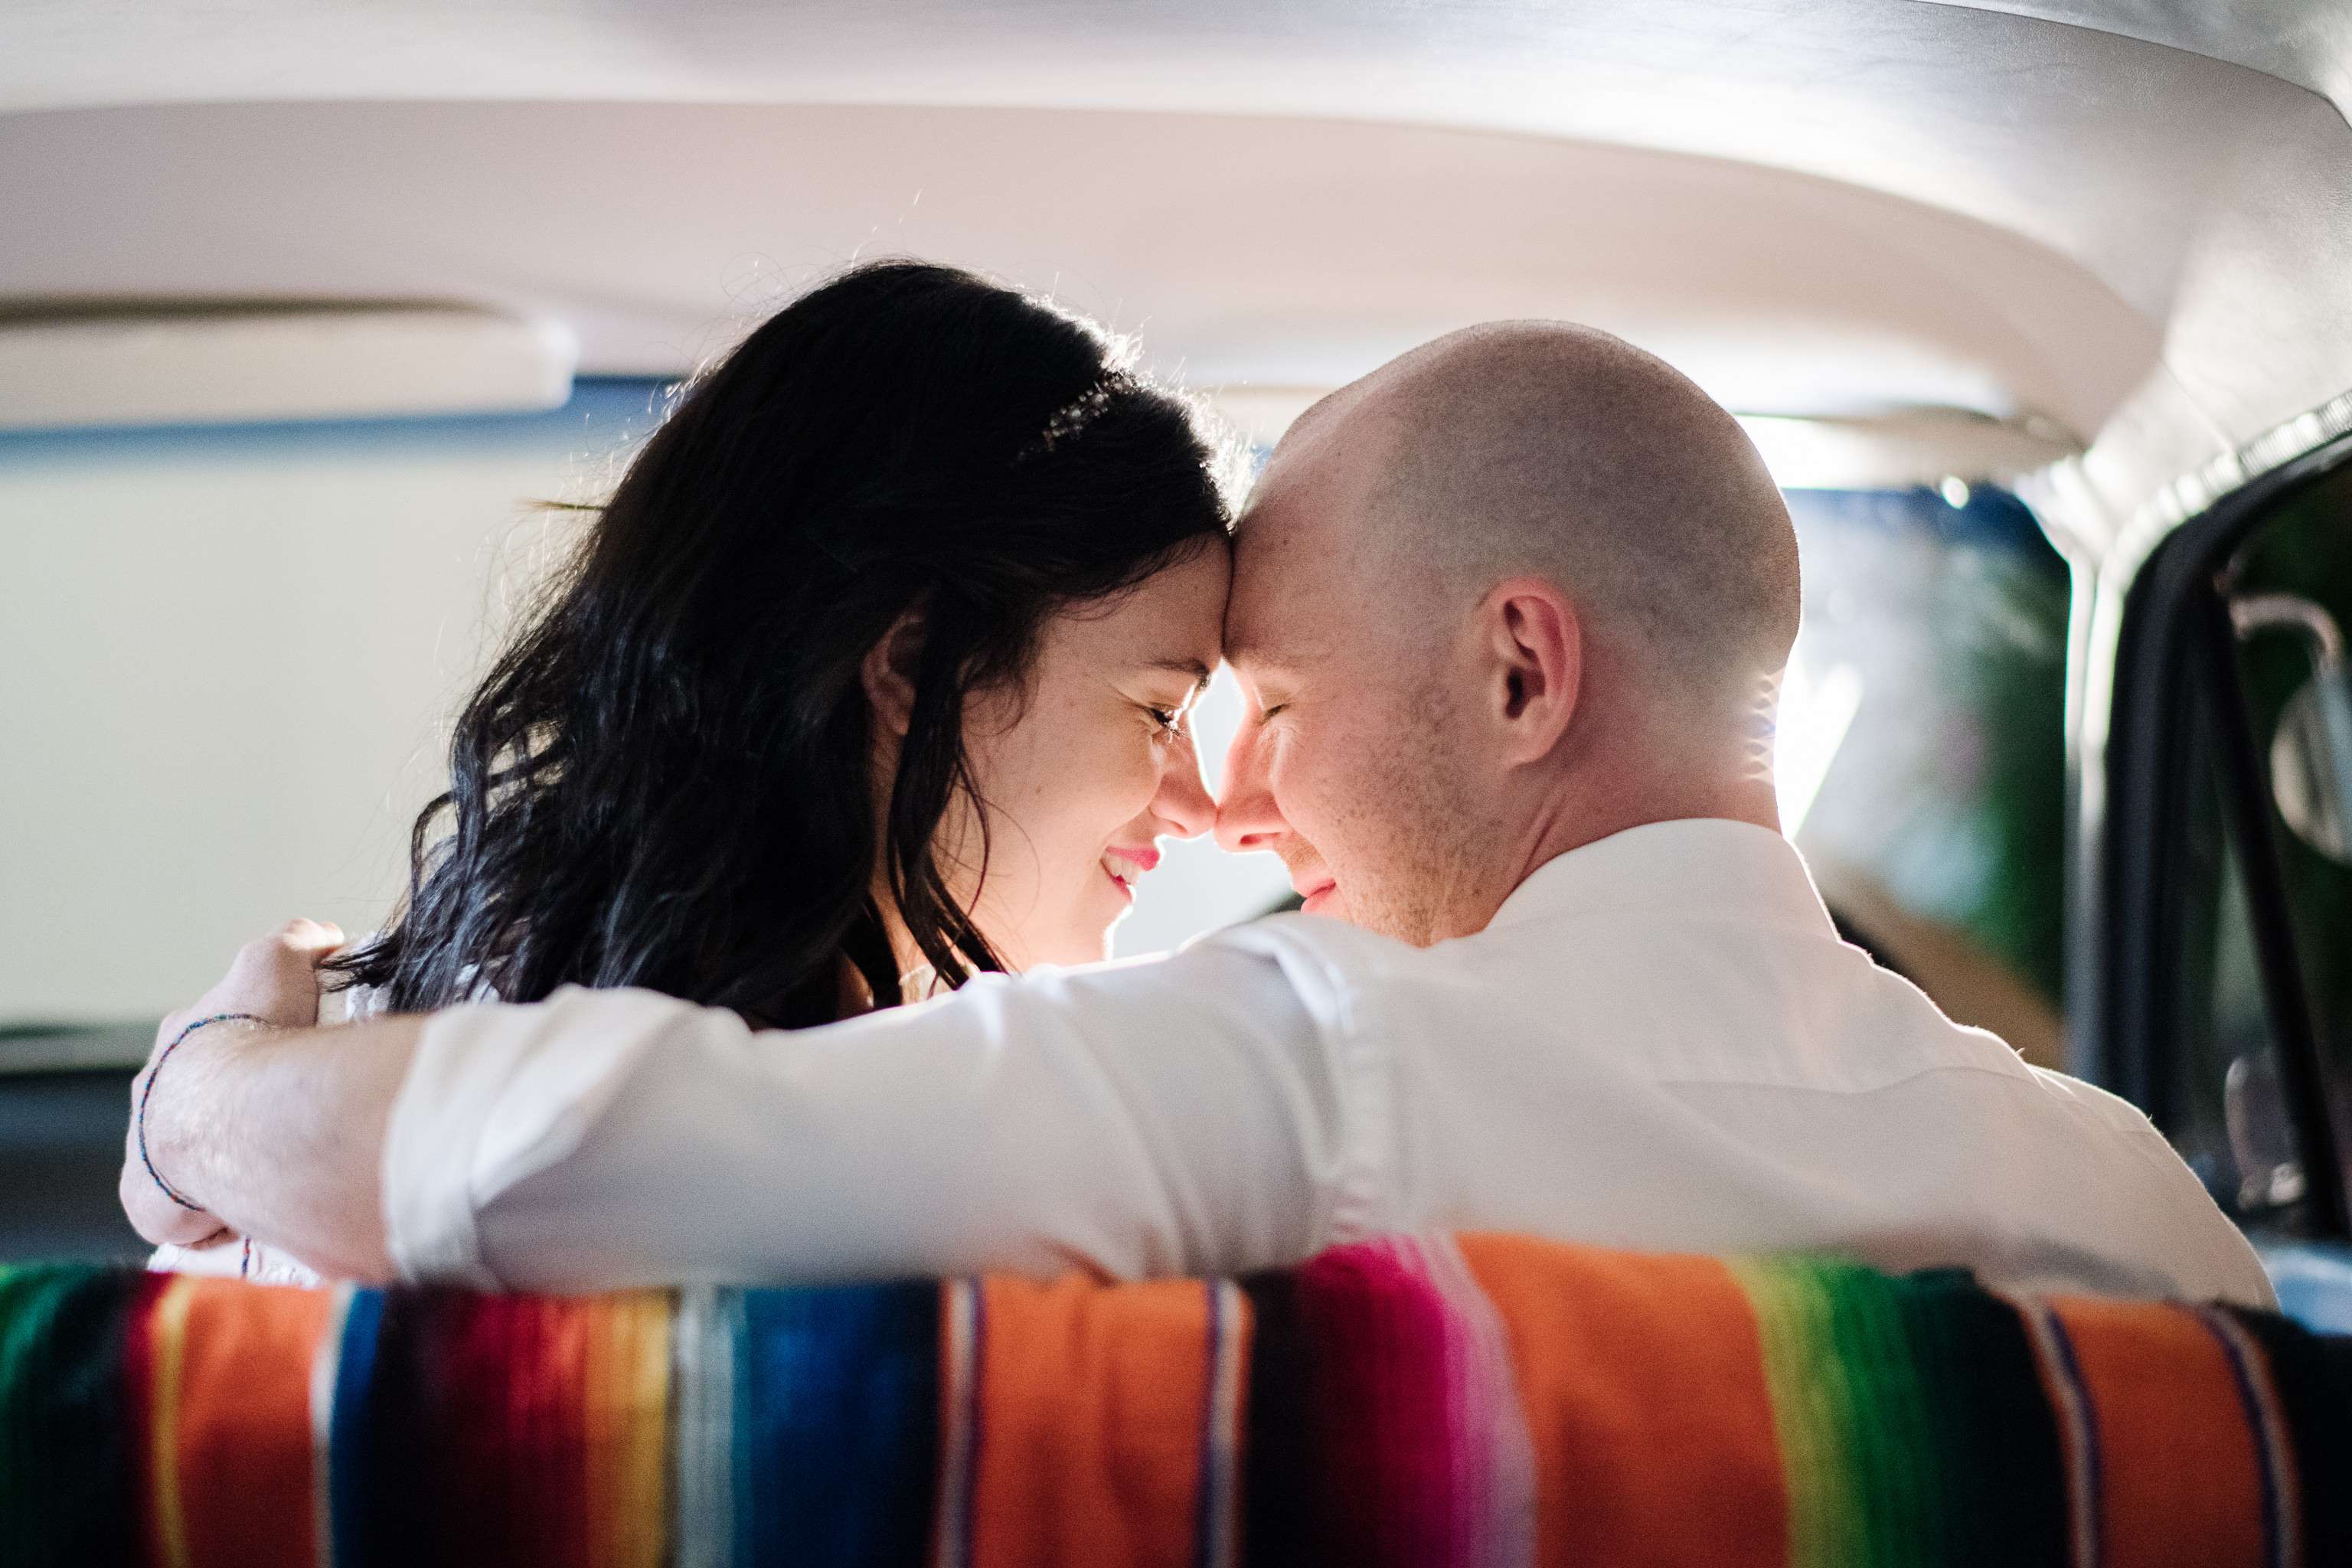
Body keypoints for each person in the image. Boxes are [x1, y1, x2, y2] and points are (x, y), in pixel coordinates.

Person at [124, 322, 2275, 1308]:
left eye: (1269, 707)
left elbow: (557, 1163)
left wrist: (204, 1087)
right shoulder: (2138, 1210)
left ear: (1520, 675)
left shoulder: (1315, 1078)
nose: (1230, 804)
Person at [132, 257, 1233, 1277]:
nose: (1203, 805)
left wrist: (196, 1096)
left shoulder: (348, 1053)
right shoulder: (932, 1136)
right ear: (913, 662)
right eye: (1159, 711)